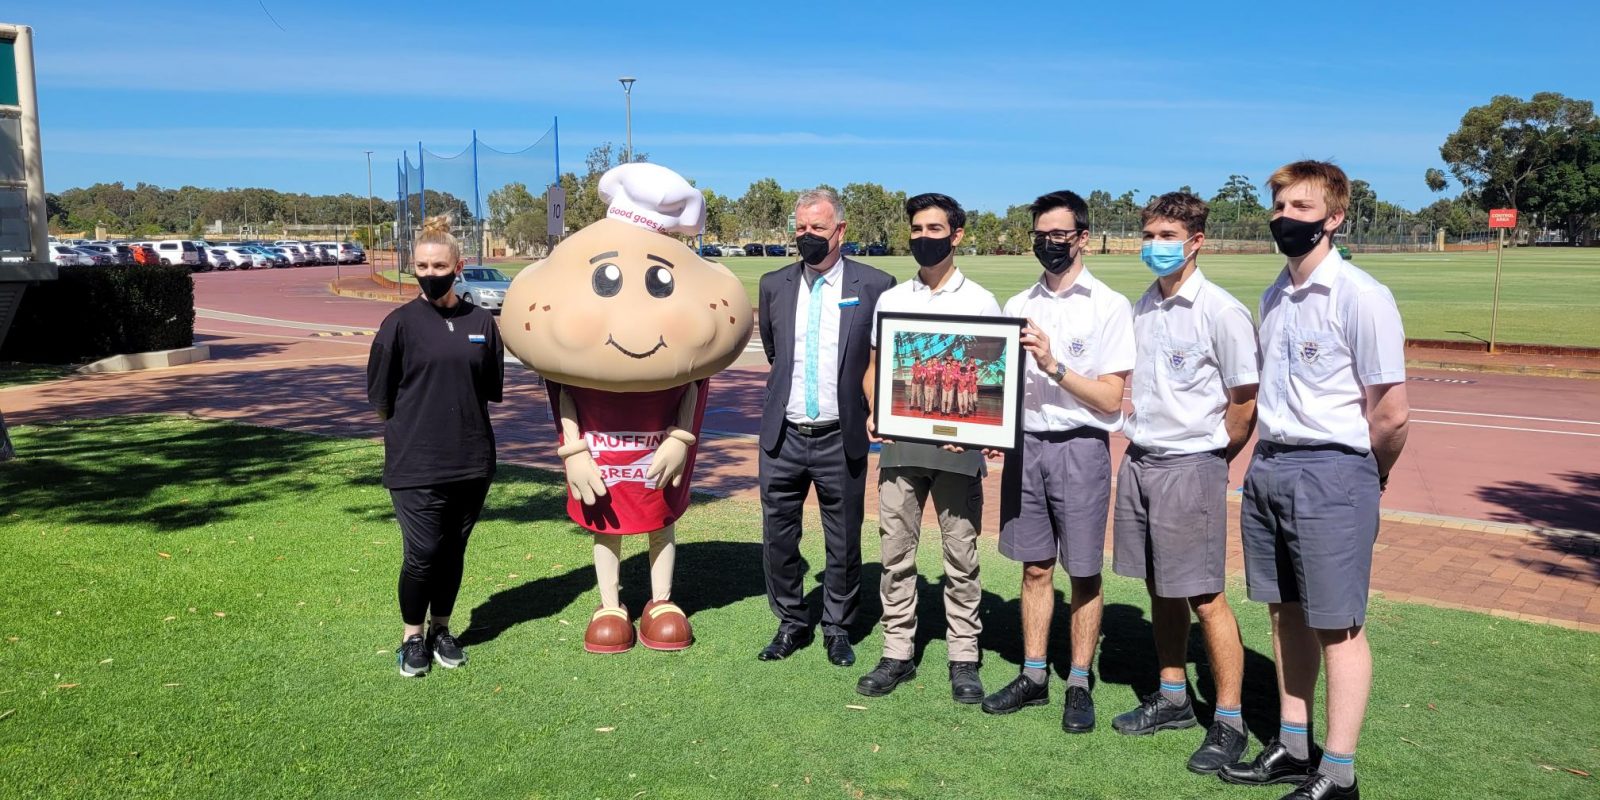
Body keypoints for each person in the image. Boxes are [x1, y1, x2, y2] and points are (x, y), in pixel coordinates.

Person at [1219, 161, 1409, 800]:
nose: (1284, 216)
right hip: (1269, 467)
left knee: (1339, 624)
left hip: (1333, 470)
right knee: (1285, 613)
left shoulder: (1361, 296)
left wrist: (1368, 476)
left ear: (1334, 218)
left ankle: (1339, 771)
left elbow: (1390, 412)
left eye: (1301, 207)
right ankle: (1294, 744)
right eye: (1279, 204)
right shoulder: (1276, 293)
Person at [1107, 192, 1259, 774]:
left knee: (1204, 594)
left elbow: (1244, 402)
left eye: (1166, 236)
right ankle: (1173, 696)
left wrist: (1214, 458)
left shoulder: (1221, 311)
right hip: (1141, 458)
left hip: (1191, 464)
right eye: (1148, 235)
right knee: (1159, 586)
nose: (1153, 246)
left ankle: (1229, 719)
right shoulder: (1142, 305)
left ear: (1196, 241)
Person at [981, 190, 1134, 735]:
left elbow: (1112, 399)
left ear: (1083, 238)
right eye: (1041, 235)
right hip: (1027, 447)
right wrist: (982, 429)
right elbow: (997, 388)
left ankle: (1077, 680)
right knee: (1035, 567)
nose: (1049, 244)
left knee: (1084, 571)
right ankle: (1033, 673)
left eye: (1060, 235)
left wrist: (1053, 365)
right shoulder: (1017, 304)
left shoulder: (1110, 306)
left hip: (1081, 448)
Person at [857, 192, 1002, 704]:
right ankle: (897, 650)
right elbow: (875, 369)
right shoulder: (893, 299)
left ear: (957, 235)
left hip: (958, 457)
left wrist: (985, 431)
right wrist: (876, 410)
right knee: (895, 555)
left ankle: (964, 656)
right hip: (900, 453)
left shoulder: (981, 301)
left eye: (935, 229)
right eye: (917, 229)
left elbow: (988, 380)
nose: (924, 238)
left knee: (961, 558)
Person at [756, 188, 895, 666]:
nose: (807, 236)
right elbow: (776, 354)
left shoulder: (877, 285)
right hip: (784, 435)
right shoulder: (774, 285)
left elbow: (881, 357)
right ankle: (792, 622)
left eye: (817, 228)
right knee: (779, 536)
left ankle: (837, 627)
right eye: (800, 228)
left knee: (843, 539)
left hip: (842, 435)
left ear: (841, 230)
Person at [366, 214, 504, 678]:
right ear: (414, 267)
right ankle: (411, 637)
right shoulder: (399, 324)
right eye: (422, 266)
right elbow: (381, 400)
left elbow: (486, 388)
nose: (430, 273)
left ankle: (441, 629)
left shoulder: (482, 322)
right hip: (415, 464)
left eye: (438, 265)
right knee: (422, 553)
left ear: (458, 265)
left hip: (471, 460)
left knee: (452, 551)